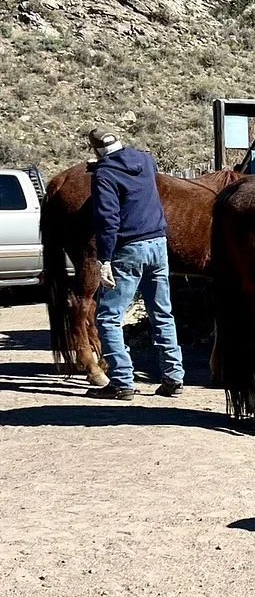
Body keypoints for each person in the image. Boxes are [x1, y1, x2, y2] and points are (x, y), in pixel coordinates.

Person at [86, 126, 185, 400]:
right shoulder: (145, 159)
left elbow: (107, 220)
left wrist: (104, 259)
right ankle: (173, 377)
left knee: (108, 317)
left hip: (129, 249)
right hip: (158, 244)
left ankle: (121, 381)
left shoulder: (104, 174)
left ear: (95, 150)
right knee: (162, 313)